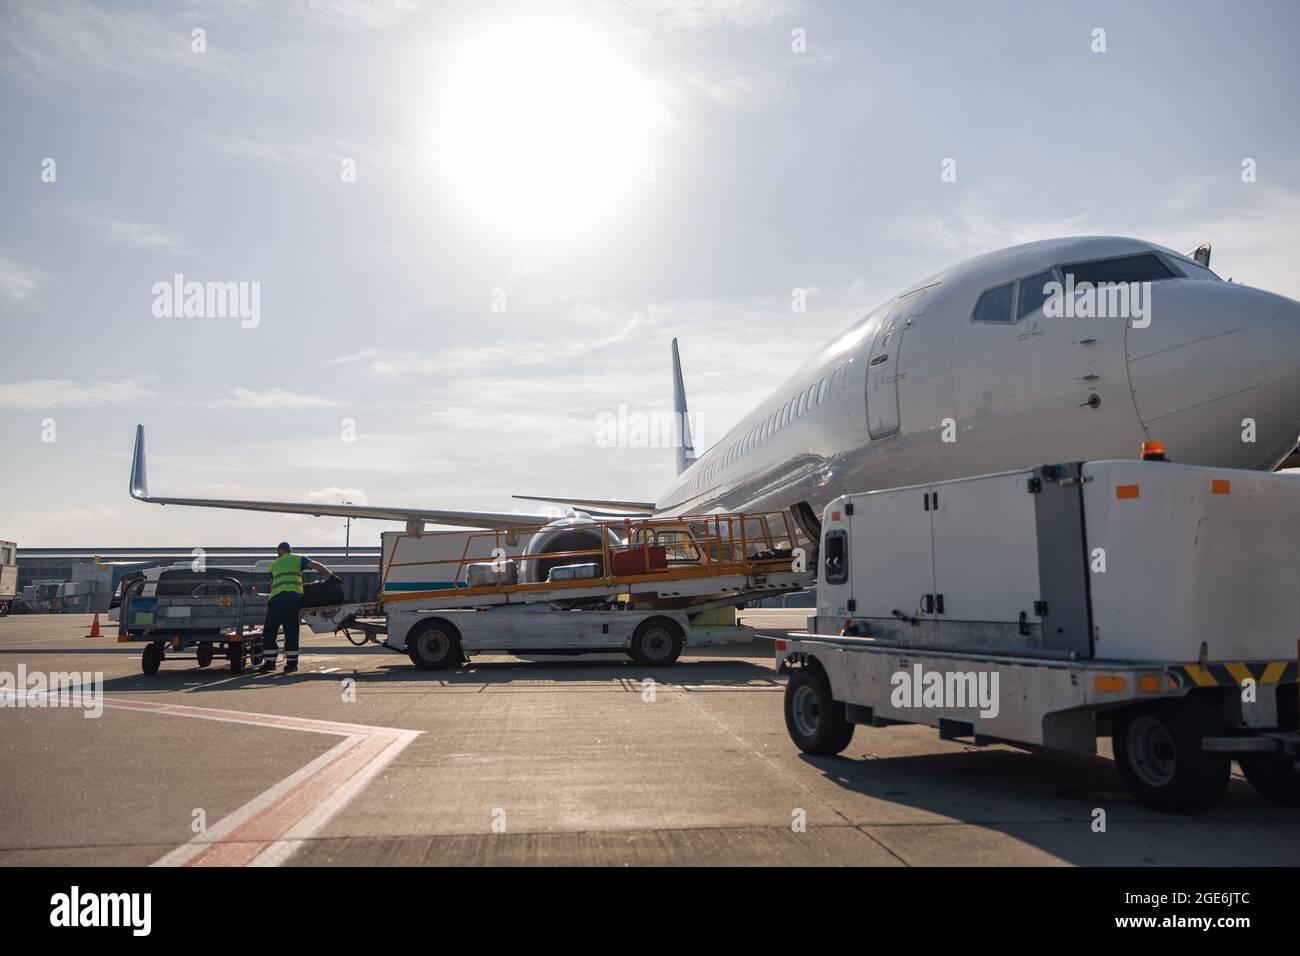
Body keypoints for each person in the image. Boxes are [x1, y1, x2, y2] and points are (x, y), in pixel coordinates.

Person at [258, 542, 334, 674]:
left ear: (279, 551)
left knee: (270, 630)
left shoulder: (274, 565)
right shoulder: (298, 559)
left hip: (277, 600)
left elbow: (271, 585)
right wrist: (332, 577)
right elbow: (317, 566)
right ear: (290, 551)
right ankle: (292, 664)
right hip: (293, 600)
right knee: (291, 630)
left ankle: (270, 663)